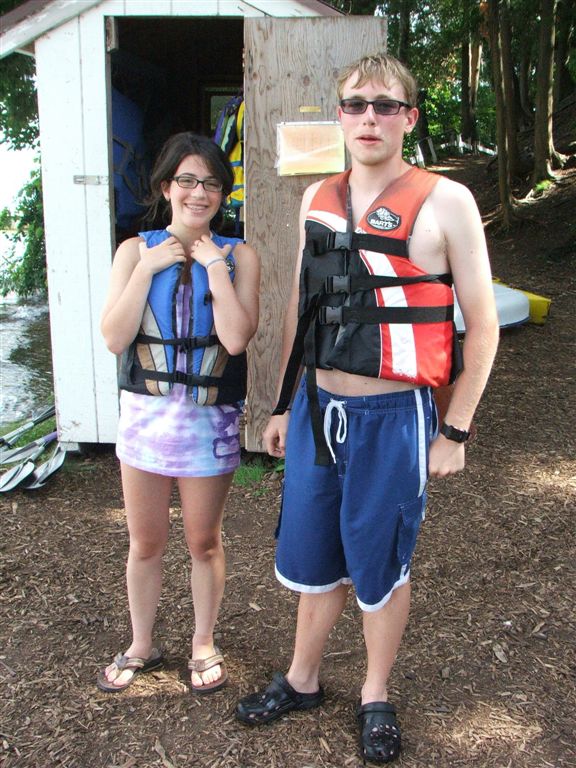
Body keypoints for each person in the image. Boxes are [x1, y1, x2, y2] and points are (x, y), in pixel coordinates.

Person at [235, 53, 499, 764]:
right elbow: (303, 308)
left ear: (409, 117)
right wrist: (283, 403)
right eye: (356, 105)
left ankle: (375, 693)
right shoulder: (317, 197)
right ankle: (302, 678)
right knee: (313, 553)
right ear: (341, 116)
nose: (369, 118)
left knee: (380, 564)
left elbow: (484, 325)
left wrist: (455, 430)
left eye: (385, 105)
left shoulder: (447, 202)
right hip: (317, 411)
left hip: (394, 419)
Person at [98, 132, 259, 695]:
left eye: (212, 183)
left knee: (203, 542)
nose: (199, 193)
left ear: (223, 193)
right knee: (144, 542)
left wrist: (214, 266)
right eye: (187, 181)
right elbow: (115, 338)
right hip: (145, 422)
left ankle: (203, 641)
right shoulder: (132, 251)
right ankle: (142, 642)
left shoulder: (240, 257)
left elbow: (235, 340)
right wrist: (147, 270)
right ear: (166, 187)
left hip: (208, 425)